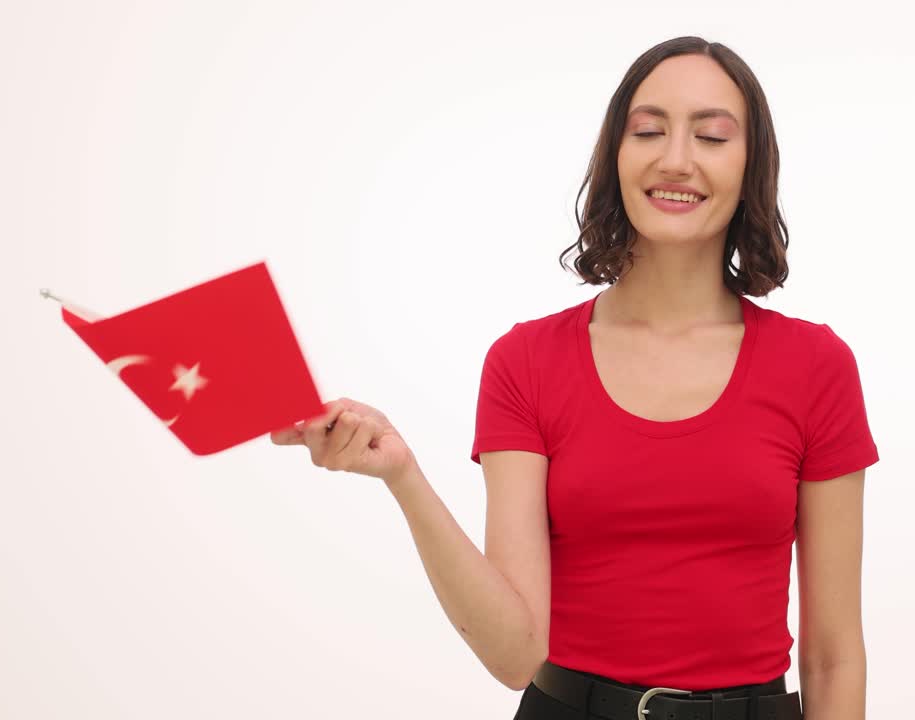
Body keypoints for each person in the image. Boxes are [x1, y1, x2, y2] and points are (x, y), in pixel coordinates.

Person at [271, 35, 878, 720]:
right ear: (615, 156)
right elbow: (512, 654)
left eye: (710, 136)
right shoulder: (527, 362)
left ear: (750, 166)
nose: (675, 159)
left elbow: (833, 654)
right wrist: (403, 475)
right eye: (648, 130)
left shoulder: (816, 367)